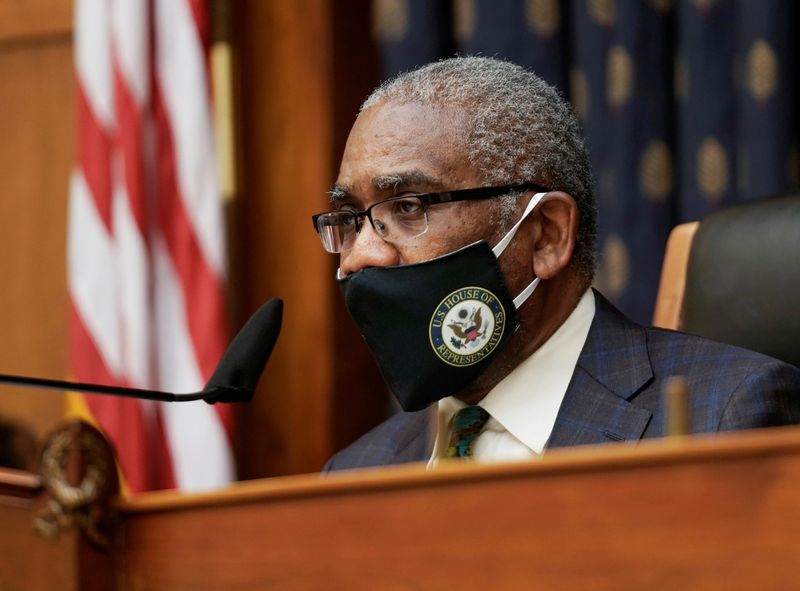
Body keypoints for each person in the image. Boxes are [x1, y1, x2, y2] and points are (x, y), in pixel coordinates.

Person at [312, 56, 800, 471]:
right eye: (351, 219)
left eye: (408, 208)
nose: (360, 257)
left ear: (545, 233)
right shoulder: (358, 469)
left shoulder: (726, 417)